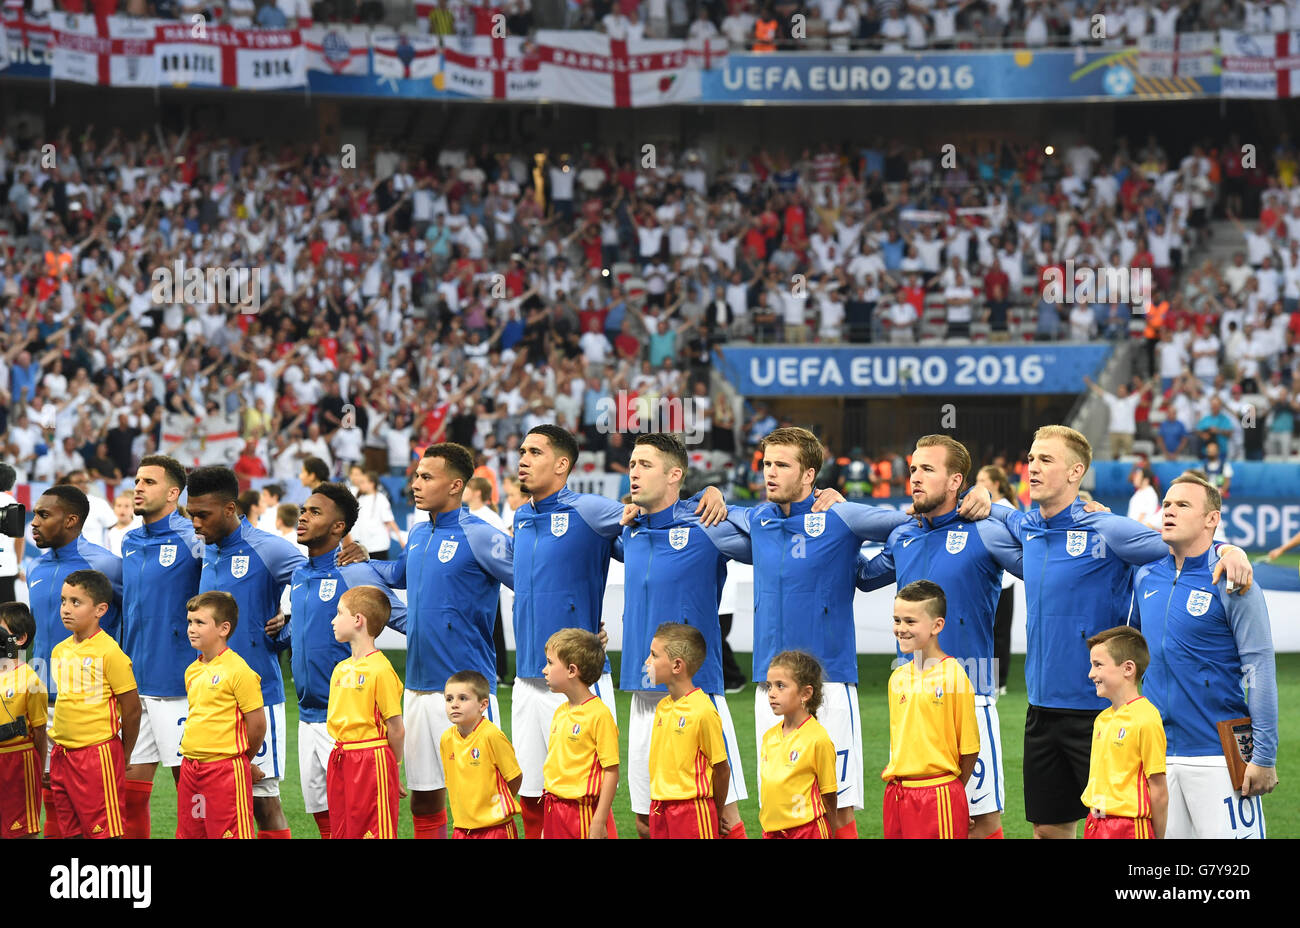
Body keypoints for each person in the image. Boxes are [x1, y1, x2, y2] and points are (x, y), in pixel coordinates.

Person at [985, 425, 1252, 839]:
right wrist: (984, 498)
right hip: (1041, 709)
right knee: (1047, 831)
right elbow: (1001, 514)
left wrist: (1227, 549)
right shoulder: (1028, 527)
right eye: (1031, 458)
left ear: (1076, 472)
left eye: (1045, 460)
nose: (1032, 468)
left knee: (1117, 828)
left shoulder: (1107, 529)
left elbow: (1179, 541)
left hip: (1102, 713)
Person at [727, 426, 990, 838]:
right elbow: (714, 517)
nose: (770, 472)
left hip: (830, 683)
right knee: (776, 805)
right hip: (770, 684)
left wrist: (984, 498)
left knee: (839, 808)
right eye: (766, 464)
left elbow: (905, 521)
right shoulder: (758, 517)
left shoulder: (840, 514)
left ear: (810, 474)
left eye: (782, 464)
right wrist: (702, 497)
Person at [509, 424, 724, 838]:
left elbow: (654, 511)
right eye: (522, 450)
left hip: (576, 681)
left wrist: (707, 493)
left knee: (586, 795)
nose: (522, 459)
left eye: (534, 452)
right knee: (533, 795)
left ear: (561, 464)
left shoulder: (589, 509)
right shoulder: (520, 517)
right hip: (527, 677)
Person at [854, 436, 1022, 839]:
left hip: (971, 691)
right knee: (921, 818)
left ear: (955, 481)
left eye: (928, 469)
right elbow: (862, 576)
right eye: (913, 469)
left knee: (981, 821)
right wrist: (837, 522)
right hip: (913, 695)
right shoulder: (903, 535)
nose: (915, 477)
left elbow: (1042, 562)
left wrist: (991, 501)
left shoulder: (986, 530)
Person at [368, 443, 514, 840]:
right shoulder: (417, 532)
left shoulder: (483, 536)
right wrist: (360, 559)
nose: (415, 484)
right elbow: (398, 572)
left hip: (466, 690)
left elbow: (530, 583)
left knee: (482, 799)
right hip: (416, 689)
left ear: (455, 486)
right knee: (424, 799)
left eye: (426, 477)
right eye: (416, 475)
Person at [616, 433, 751, 839]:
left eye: (645, 465)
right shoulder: (629, 527)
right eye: (632, 463)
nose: (633, 472)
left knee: (724, 816)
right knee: (646, 820)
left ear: (675, 474)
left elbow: (771, 529)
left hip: (698, 696)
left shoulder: (708, 523)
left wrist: (715, 494)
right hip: (644, 693)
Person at [1133, 473, 1278, 838]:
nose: (1169, 511)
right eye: (1166, 504)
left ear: (1211, 519)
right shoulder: (1146, 576)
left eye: (1183, 505)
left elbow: (1258, 668)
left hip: (1218, 756)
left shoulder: (1234, 580)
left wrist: (1264, 755)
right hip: (1156, 757)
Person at [282, 482, 407, 839]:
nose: (303, 516)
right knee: (323, 814)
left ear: (339, 528)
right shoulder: (299, 573)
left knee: (357, 819)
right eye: (303, 509)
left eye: (315, 512)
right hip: (306, 718)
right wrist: (282, 630)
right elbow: (308, 629)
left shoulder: (354, 572)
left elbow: (398, 618)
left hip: (349, 728)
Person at [189, 465, 306, 839]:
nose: (195, 522)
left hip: (257, 696)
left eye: (203, 514)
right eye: (191, 513)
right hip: (211, 699)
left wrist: (287, 625)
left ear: (229, 509)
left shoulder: (267, 548)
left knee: (262, 800)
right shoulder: (206, 549)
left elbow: (320, 582)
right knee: (214, 801)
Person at [27, 484, 123, 838]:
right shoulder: (36, 565)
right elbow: (32, 633)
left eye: (43, 515)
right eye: (35, 514)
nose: (33, 522)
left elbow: (132, 618)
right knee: (52, 795)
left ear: (70, 520)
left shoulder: (106, 566)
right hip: (41, 701)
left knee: (98, 810)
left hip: (91, 708)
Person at [121, 455, 206, 839]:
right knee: (129, 796)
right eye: (137, 481)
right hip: (135, 687)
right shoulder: (129, 539)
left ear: (173, 493)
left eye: (149, 482)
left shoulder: (194, 539)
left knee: (193, 795)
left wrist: (278, 614)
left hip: (179, 687)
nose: (138, 488)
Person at [47, 570, 141, 839]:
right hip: (62, 754)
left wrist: (125, 753)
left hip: (96, 755)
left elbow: (132, 709)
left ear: (100, 609)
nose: (66, 609)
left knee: (105, 832)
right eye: (63, 601)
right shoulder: (60, 650)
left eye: (76, 602)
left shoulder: (110, 652)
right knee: (71, 832)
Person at [882, 580, 979, 839]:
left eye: (910, 622)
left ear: (937, 625)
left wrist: (953, 795)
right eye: (897, 620)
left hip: (938, 793)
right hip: (897, 793)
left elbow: (969, 748)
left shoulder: (954, 675)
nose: (901, 629)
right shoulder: (897, 677)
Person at [177, 591, 266, 840]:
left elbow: (257, 725)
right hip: (191, 769)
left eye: (200, 623)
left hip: (225, 772)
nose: (191, 629)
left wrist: (241, 761)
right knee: (191, 834)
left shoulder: (238, 670)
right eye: (189, 622)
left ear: (223, 628)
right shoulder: (192, 670)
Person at [326, 585, 406, 840]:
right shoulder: (340, 669)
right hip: (341, 758)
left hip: (371, 759)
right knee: (343, 829)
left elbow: (396, 727)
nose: (333, 620)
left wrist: (393, 768)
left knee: (374, 831)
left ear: (358, 620)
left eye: (339, 613)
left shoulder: (380, 670)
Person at [645, 623, 731, 839]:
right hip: (659, 808)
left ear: (677, 665)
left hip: (692, 812)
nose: (647, 662)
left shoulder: (703, 711)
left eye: (654, 656)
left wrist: (716, 812)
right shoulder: (663, 706)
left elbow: (721, 769)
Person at [1081, 626, 1167, 839]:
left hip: (1129, 828)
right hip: (1095, 823)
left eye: (1098, 665)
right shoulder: (1102, 719)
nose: (1091, 674)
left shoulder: (1146, 718)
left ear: (1128, 668)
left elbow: (1158, 789)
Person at [540, 628, 620, 839]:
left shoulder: (599, 715)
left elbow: (611, 771)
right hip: (553, 809)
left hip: (582, 814)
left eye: (549, 662)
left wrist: (599, 820)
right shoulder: (560, 712)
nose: (544, 670)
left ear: (572, 670)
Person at [758, 650, 836, 839]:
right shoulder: (769, 737)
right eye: (769, 686)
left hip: (808, 832)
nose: (771, 694)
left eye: (780, 686)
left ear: (806, 693)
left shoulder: (818, 739)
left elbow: (829, 796)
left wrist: (832, 832)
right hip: (772, 833)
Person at [439, 670, 523, 839]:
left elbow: (514, 777)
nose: (454, 704)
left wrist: (495, 806)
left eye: (463, 698)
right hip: (462, 829)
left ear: (483, 705)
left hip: (495, 829)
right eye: (449, 699)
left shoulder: (491, 735)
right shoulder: (446, 739)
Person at [0, 602, 46, 839]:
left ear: (19, 639)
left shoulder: (30, 679)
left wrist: (39, 768)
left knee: (21, 832)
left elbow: (39, 731)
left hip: (19, 761)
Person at [976, 464, 1020, 696]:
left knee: (1000, 632)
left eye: (983, 479)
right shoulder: (984, 507)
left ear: (995, 484)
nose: (979, 483)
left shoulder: (1006, 509)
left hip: (1005, 581)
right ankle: (987, 677)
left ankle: (998, 680)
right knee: (987, 630)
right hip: (988, 580)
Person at [464, 476, 509, 684]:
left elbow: (501, 549)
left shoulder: (490, 518)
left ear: (477, 492)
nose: (464, 491)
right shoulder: (466, 514)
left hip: (488, 580)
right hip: (470, 582)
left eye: (468, 488)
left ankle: (499, 669)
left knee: (493, 626)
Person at [350, 468, 400, 559]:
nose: (360, 485)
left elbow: (389, 520)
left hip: (379, 545)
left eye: (363, 482)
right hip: (365, 546)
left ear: (372, 484)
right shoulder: (360, 499)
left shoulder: (381, 498)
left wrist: (400, 539)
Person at [0, 464, 23, 602]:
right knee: (6, 615)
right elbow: (19, 539)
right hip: (6, 566)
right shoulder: (12, 503)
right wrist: (19, 565)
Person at [1126, 466, 1162, 531]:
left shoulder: (1149, 493)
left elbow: (1142, 517)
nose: (1135, 478)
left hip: (1139, 531)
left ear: (1146, 480)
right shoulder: (1140, 492)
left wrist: (1131, 532)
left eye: (1138, 476)